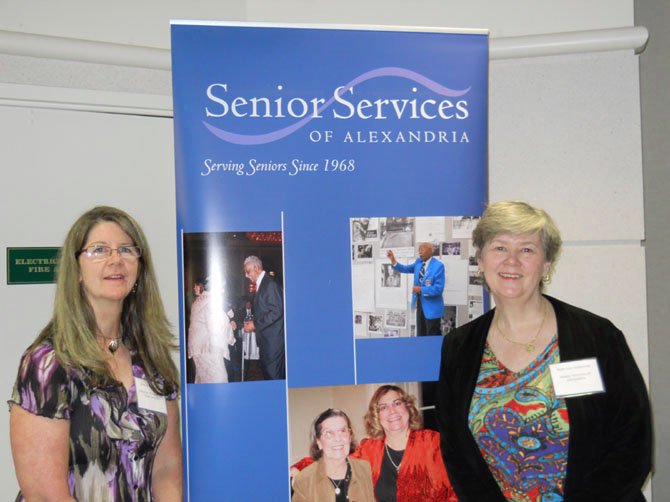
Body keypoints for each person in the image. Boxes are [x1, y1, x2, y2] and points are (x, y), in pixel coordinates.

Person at [436, 200, 652, 501]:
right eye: (499, 248)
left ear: (546, 264)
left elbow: (633, 442)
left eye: (527, 249)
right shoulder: (458, 348)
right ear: (481, 260)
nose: (512, 261)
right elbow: (456, 452)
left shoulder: (597, 336)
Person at [8, 206, 182, 501]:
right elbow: (45, 495)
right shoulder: (47, 364)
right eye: (99, 250)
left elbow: (166, 472)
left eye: (126, 249)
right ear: (76, 270)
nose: (116, 260)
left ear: (139, 269)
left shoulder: (152, 361)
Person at [293, 385, 457, 501]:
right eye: (383, 407)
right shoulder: (370, 449)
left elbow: (456, 490)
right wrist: (298, 467)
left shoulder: (433, 442)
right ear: (377, 415)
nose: (392, 411)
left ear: (408, 407)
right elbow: (337, 459)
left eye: (397, 403)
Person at [292, 409, 375, 502]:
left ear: (350, 436)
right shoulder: (304, 480)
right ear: (318, 441)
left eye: (342, 431)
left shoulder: (365, 469)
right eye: (329, 433)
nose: (338, 438)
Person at [387, 242, 445, 336]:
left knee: (432, 336)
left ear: (431, 251)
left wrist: (421, 290)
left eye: (422, 249)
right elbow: (405, 268)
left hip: (432, 308)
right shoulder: (418, 262)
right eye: (419, 250)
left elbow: (438, 289)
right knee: (420, 335)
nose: (419, 252)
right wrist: (393, 260)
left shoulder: (438, 266)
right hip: (420, 305)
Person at [242, 255, 285, 379]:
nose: (246, 275)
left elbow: (277, 311)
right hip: (268, 342)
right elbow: (266, 311)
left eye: (247, 271)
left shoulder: (269, 284)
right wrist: (253, 321)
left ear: (256, 268)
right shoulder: (264, 283)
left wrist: (254, 324)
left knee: (273, 378)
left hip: (273, 344)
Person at [187, 276, 236, 383]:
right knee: (219, 381)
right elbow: (218, 326)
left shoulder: (198, 301)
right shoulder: (212, 302)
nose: (223, 290)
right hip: (208, 349)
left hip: (197, 349)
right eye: (221, 288)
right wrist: (231, 336)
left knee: (203, 381)